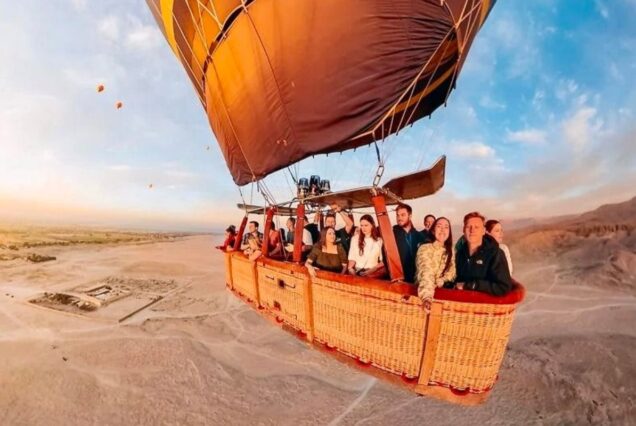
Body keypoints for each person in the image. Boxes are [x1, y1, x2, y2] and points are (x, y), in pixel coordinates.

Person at [454, 212, 512, 296]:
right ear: (463, 230)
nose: (472, 230)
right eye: (468, 226)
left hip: (484, 307)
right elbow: (456, 280)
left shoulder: (495, 253)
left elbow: (503, 287)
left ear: (483, 231)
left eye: (476, 227)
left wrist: (472, 285)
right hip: (462, 306)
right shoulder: (460, 254)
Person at [415, 217, 456, 309]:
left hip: (444, 298)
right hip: (426, 298)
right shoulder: (425, 248)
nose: (442, 230)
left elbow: (452, 272)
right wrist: (427, 297)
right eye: (439, 226)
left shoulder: (451, 250)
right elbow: (425, 271)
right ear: (433, 231)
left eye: (446, 227)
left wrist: (442, 280)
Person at [393, 203, 427, 284]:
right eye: (397, 215)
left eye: (403, 215)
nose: (399, 218)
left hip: (417, 281)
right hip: (399, 281)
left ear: (410, 216)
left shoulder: (420, 236)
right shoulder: (391, 236)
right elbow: (386, 258)